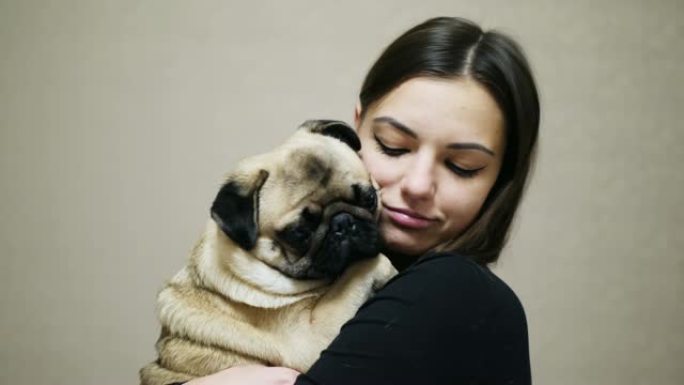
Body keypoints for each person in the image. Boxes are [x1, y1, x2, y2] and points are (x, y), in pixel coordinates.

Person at [186, 16, 539, 385]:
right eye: (392, 146)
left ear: (501, 176)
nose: (418, 185)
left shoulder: (453, 289)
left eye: (461, 166)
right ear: (357, 129)